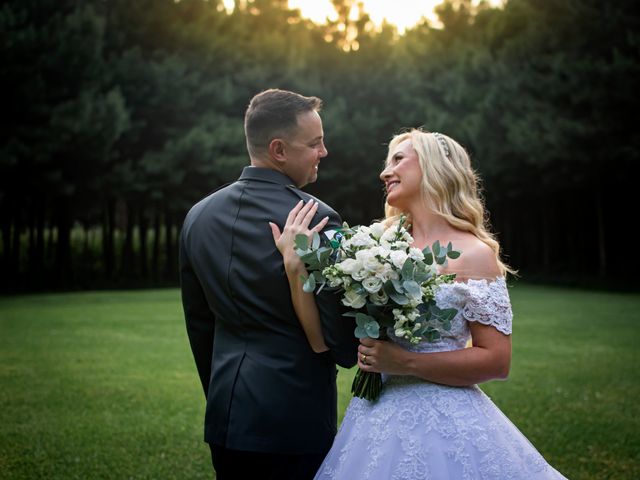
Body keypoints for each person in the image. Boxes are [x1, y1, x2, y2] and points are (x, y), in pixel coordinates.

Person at [272, 129, 568, 479]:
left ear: (434, 167)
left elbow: (496, 360)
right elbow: (321, 340)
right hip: (374, 420)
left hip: (447, 424)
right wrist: (294, 266)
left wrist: (405, 362)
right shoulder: (373, 245)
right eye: (386, 163)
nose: (384, 173)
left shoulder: (474, 254)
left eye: (397, 160)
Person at [180, 89, 358, 480]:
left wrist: (223, 396)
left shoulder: (197, 217)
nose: (324, 152)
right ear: (279, 149)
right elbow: (342, 345)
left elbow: (200, 327)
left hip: (227, 415)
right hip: (297, 419)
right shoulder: (321, 221)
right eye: (315, 143)